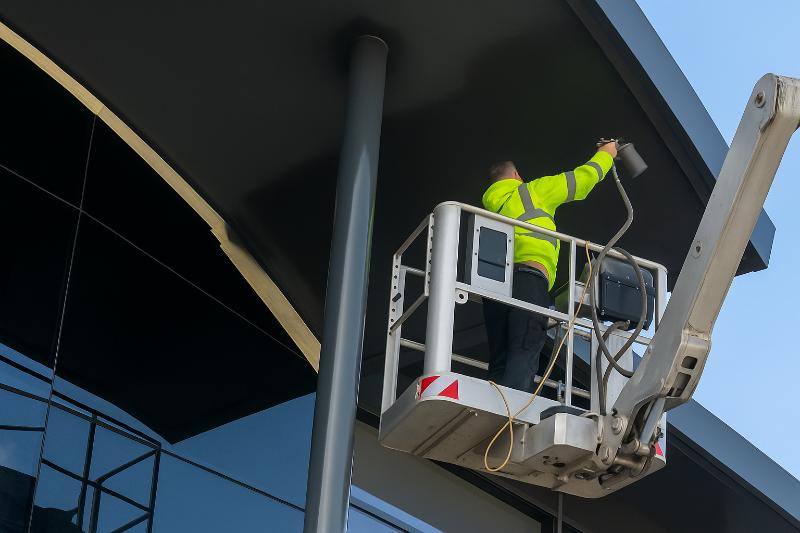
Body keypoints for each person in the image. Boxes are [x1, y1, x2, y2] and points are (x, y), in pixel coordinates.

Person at [481, 141, 618, 392]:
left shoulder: (488, 208)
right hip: (529, 277)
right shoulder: (532, 191)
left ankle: (493, 409)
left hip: (493, 284)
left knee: (499, 359)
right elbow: (582, 180)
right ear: (516, 176)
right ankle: (512, 416)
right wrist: (606, 154)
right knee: (525, 346)